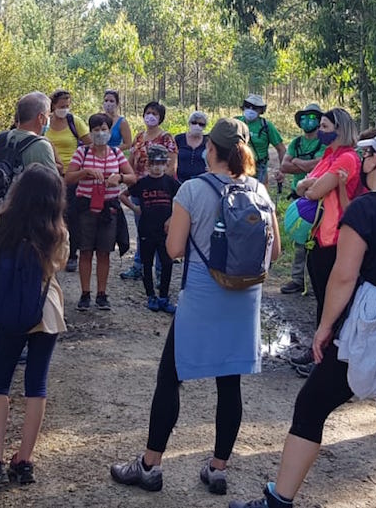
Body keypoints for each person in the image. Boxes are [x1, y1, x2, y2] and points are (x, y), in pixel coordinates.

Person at [229, 129, 376, 508]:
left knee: (311, 406)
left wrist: (324, 329)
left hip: (368, 331)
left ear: (375, 161)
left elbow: (344, 276)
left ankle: (279, 500)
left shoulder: (366, 208)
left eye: (366, 154)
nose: (362, 159)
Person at [110, 118, 282, 496]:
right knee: (229, 383)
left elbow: (173, 251)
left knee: (170, 378)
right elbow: (277, 252)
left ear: (211, 149)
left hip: (203, 296)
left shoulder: (192, 190)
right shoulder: (258, 189)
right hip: (244, 299)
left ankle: (150, 467)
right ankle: (218, 469)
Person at [0, 164, 69, 489]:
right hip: (45, 310)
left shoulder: (3, 224)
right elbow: (60, 263)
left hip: (9, 308)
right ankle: (24, 461)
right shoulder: (57, 229)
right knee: (36, 384)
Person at [290, 108, 361, 376]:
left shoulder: (347, 158)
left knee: (333, 301)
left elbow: (314, 190)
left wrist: (312, 186)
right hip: (318, 236)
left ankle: (328, 359)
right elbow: (301, 187)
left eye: (325, 125)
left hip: (337, 239)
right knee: (321, 298)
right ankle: (318, 351)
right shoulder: (328, 156)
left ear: (339, 129)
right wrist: (311, 185)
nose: (320, 130)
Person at [65, 113, 136, 311]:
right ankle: (85, 293)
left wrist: (119, 177)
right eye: (96, 130)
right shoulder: (82, 153)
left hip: (109, 209)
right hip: (85, 207)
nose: (100, 133)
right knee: (85, 250)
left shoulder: (116, 153)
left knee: (104, 252)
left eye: (104, 129)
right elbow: (68, 178)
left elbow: (133, 177)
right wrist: (84, 173)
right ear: (90, 131)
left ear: (109, 131)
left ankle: (102, 294)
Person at [120, 101, 178, 280]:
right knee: (142, 229)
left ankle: (161, 270)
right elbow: (131, 162)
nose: (150, 116)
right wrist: (128, 179)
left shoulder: (166, 138)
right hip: (140, 189)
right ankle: (139, 265)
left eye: (155, 113)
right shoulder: (139, 137)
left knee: (161, 231)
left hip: (160, 191)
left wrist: (160, 183)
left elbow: (172, 165)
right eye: (148, 112)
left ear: (160, 117)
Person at [119, 145, 181, 313]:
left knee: (167, 263)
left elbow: (182, 199)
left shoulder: (170, 183)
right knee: (147, 263)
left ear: (166, 164)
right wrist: (134, 208)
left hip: (165, 231)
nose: (156, 167)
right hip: (146, 229)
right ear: (147, 165)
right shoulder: (143, 183)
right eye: (153, 163)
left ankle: (164, 297)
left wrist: (172, 217)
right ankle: (150, 296)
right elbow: (123, 195)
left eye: (160, 163)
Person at [278, 103, 325, 295]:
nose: (308, 121)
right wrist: (305, 165)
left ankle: (315, 281)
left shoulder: (324, 143)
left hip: (319, 196)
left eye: (313, 118)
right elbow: (284, 166)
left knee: (317, 241)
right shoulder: (296, 142)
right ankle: (297, 279)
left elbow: (319, 166)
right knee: (299, 239)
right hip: (299, 197)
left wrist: (297, 162)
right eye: (304, 118)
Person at [47, 89, 92, 273]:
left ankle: (72, 254)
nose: (64, 109)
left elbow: (89, 144)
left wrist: (82, 167)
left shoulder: (75, 122)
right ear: (53, 105)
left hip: (71, 175)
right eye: (61, 106)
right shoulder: (46, 123)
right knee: (51, 214)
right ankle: (51, 251)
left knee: (72, 216)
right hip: (50, 175)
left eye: (67, 106)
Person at [235, 94, 286, 186]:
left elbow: (281, 149)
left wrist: (282, 170)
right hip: (238, 167)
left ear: (261, 110)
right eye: (248, 106)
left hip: (258, 169)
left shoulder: (266, 126)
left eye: (255, 108)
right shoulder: (236, 123)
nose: (250, 109)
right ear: (244, 107)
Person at [174, 111, 209, 182]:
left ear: (204, 126)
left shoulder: (208, 141)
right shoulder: (179, 139)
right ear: (189, 123)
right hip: (180, 181)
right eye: (194, 122)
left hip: (202, 181)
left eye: (201, 124)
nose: (197, 126)